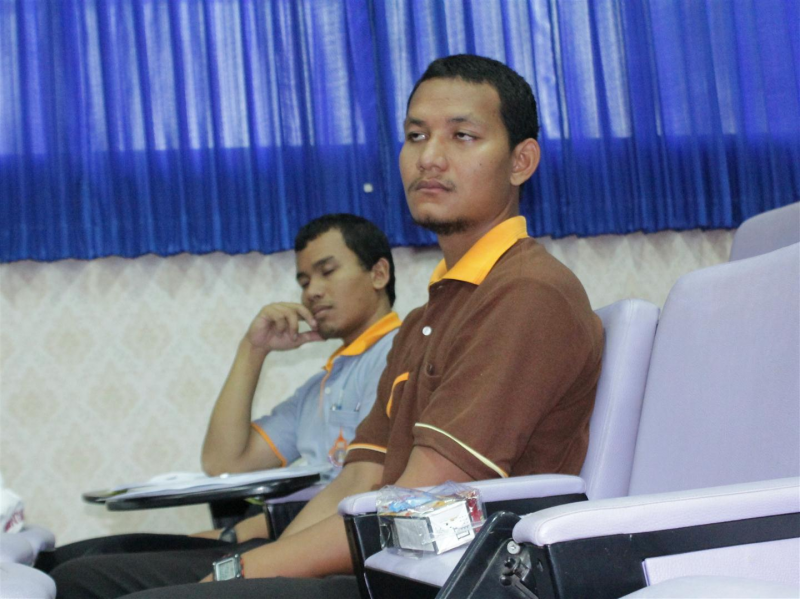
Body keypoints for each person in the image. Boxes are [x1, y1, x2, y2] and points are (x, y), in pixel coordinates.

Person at [53, 54, 604, 599]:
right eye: (415, 136)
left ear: (520, 161)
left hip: (444, 577)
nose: (429, 157)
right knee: (81, 579)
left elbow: (421, 499)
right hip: (386, 559)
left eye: (462, 136)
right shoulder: (427, 315)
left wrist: (242, 571)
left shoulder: (526, 293)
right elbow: (359, 479)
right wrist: (249, 563)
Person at [43, 213, 400, 572]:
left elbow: (366, 486)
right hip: (285, 537)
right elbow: (225, 463)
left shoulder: (398, 353)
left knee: (82, 575)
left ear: (378, 274)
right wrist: (253, 349)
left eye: (328, 271)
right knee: (77, 558)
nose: (312, 292)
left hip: (321, 554)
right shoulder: (320, 386)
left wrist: (252, 548)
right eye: (304, 281)